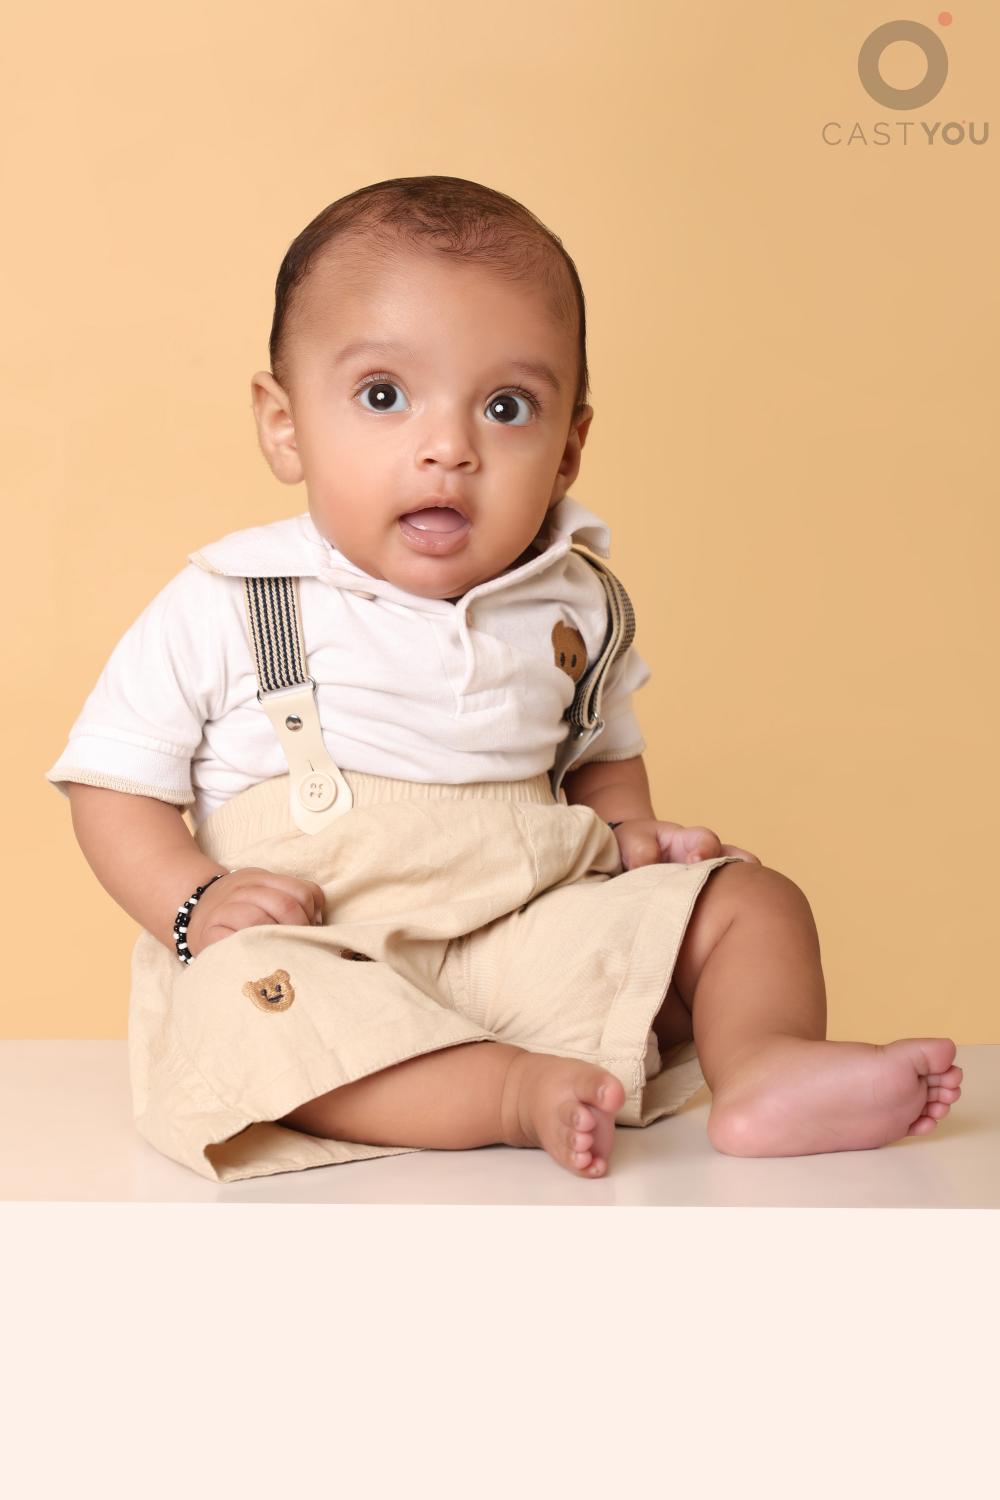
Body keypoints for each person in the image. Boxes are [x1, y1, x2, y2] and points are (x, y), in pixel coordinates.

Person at [45, 175, 962, 1184]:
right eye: (384, 396)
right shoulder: (230, 599)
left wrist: (632, 839)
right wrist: (196, 903)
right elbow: (111, 787)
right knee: (240, 1000)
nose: (449, 449)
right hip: (327, 952)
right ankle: (508, 1093)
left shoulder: (575, 604)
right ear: (285, 424)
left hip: (527, 936)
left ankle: (765, 1065)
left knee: (749, 901)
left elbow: (599, 757)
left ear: (569, 450)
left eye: (506, 407)